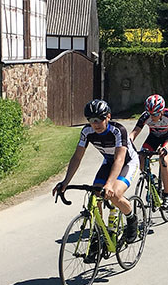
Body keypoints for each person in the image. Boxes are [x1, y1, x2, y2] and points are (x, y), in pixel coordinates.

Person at [52, 99, 140, 241]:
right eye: (92, 120)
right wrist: (66, 181)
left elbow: (119, 160)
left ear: (108, 117)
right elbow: (77, 157)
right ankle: (99, 233)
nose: (96, 124)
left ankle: (131, 219)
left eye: (100, 119)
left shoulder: (118, 131)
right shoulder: (87, 132)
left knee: (115, 194)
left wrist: (110, 184)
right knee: (95, 193)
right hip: (109, 162)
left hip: (127, 162)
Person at [130, 94, 168, 211]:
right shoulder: (145, 116)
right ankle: (153, 180)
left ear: (161, 111)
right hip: (153, 138)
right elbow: (133, 134)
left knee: (164, 160)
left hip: (167, 139)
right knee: (141, 158)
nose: (153, 117)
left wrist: (166, 148)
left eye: (155, 114)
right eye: (151, 114)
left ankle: (166, 195)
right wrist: (127, 145)